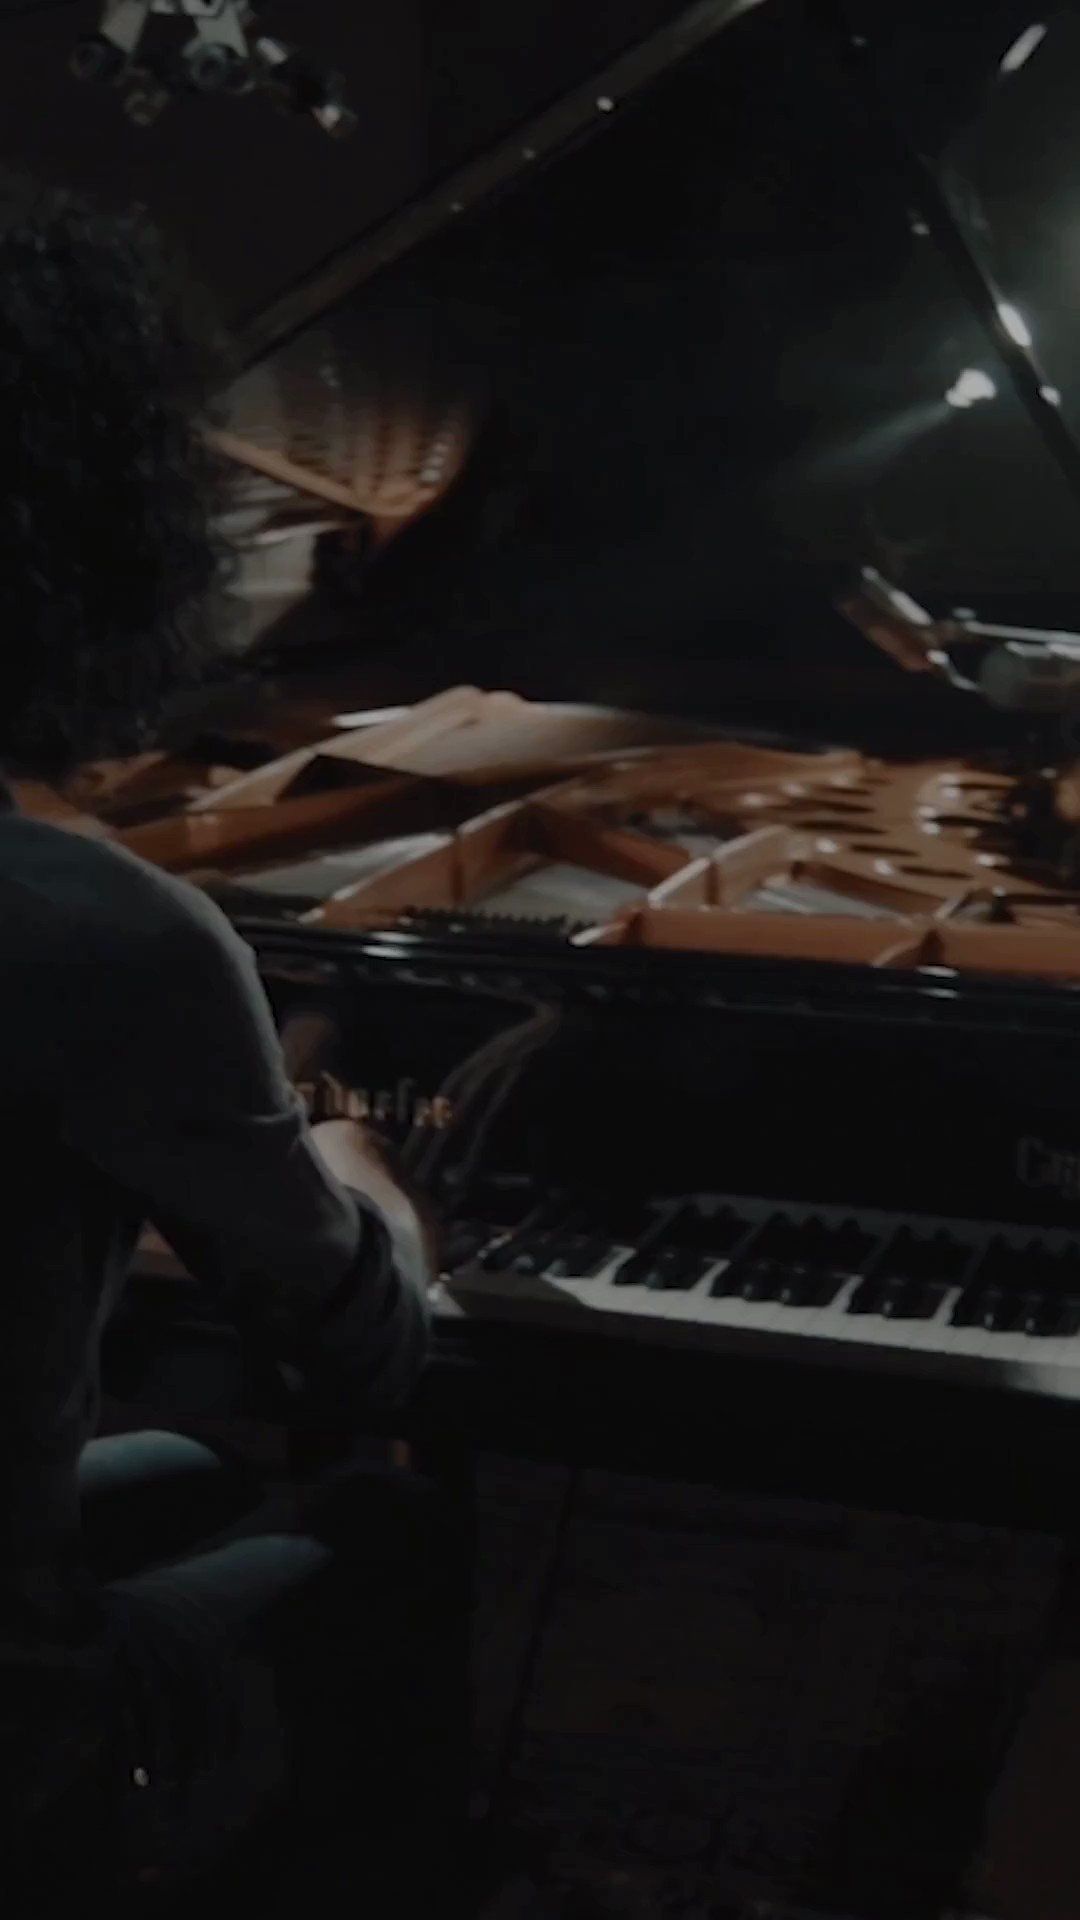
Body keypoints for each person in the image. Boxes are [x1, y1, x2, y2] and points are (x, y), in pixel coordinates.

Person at [0, 169, 465, 1905]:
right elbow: (362, 1352)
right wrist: (353, 1158)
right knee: (387, 1517)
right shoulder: (94, 928)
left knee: (187, 1454)